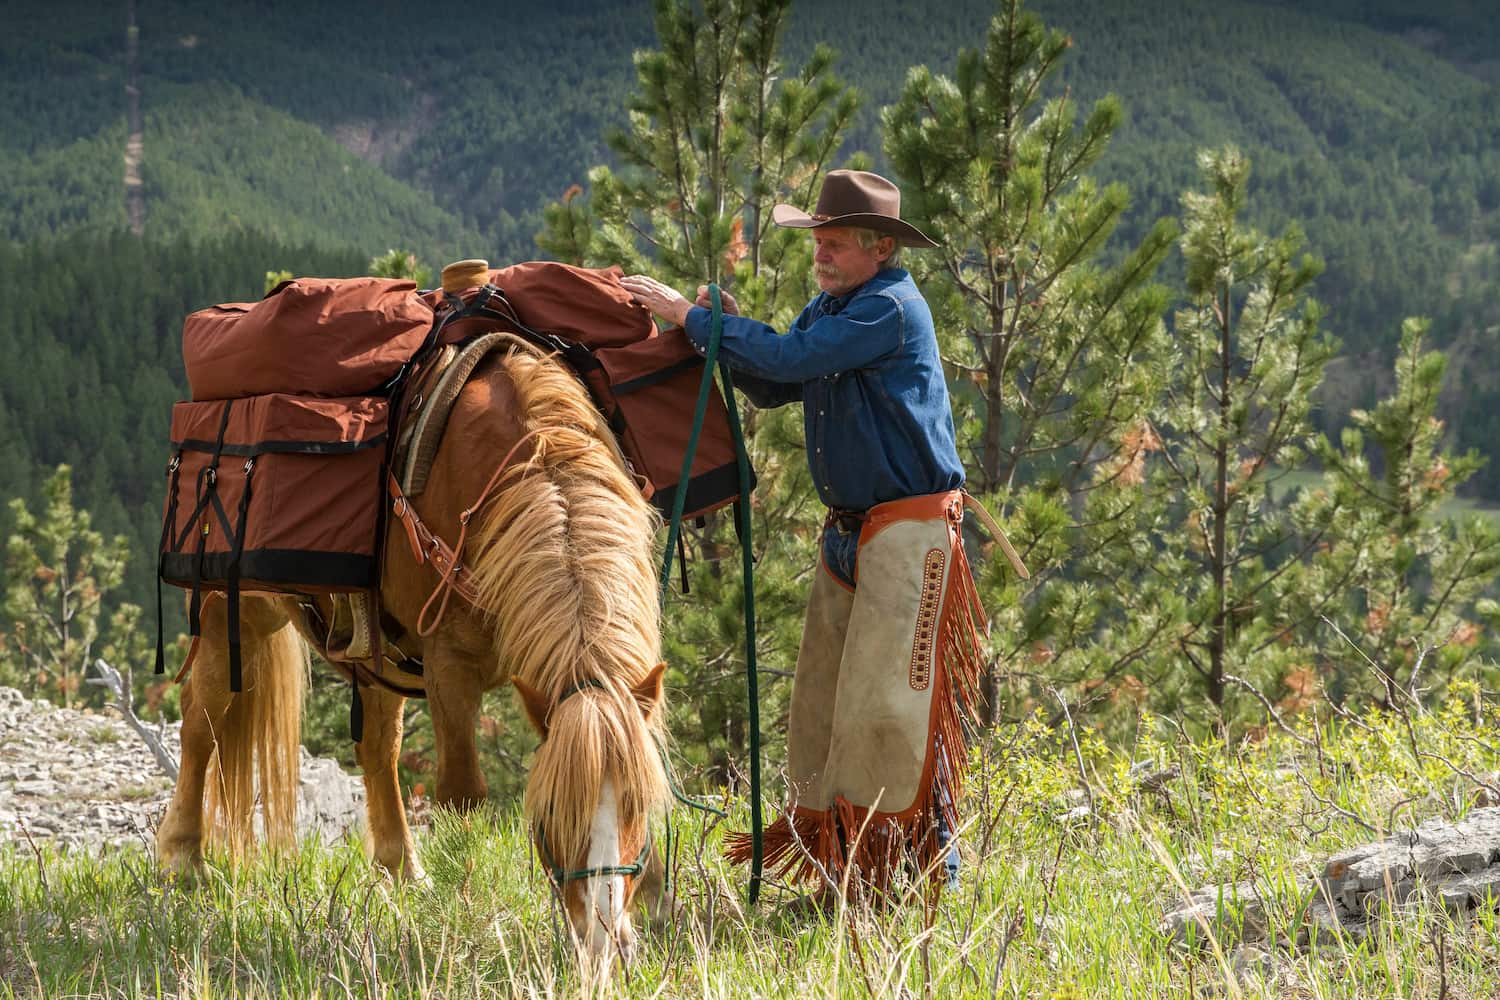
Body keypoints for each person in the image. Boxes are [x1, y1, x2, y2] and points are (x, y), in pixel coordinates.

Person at [621, 169, 991, 901]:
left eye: (834, 240)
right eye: (816, 238)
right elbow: (776, 381)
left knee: (894, 712)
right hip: (860, 536)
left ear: (879, 247)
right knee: (832, 711)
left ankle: (924, 880)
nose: (818, 251)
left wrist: (692, 320)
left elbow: (792, 360)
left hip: (907, 535)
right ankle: (853, 876)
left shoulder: (887, 309)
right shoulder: (837, 305)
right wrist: (722, 331)